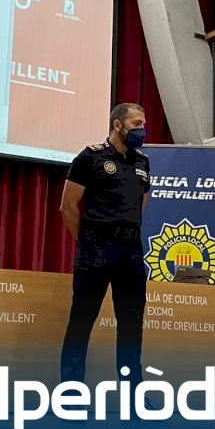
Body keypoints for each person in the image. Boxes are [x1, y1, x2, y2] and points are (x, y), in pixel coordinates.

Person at [59, 103, 151, 388]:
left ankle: (132, 394)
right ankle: (71, 394)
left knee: (132, 325)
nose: (142, 130)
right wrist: (87, 241)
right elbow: (67, 206)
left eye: (143, 124)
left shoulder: (143, 162)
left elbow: (140, 204)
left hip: (131, 250)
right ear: (117, 125)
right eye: (136, 124)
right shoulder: (90, 157)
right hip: (97, 248)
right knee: (82, 321)